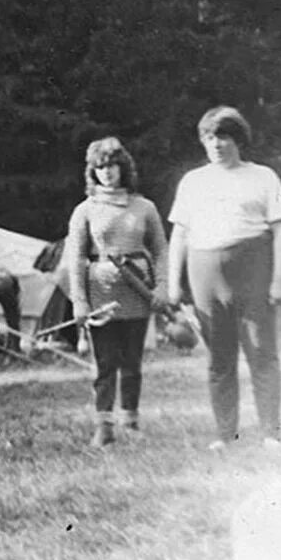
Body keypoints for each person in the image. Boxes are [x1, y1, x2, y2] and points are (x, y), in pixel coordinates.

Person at [167, 106, 281, 449]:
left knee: (260, 350)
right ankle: (226, 434)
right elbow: (179, 235)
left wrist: (280, 279)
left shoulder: (263, 176)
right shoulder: (194, 181)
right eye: (209, 137)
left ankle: (271, 432)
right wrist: (172, 283)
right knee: (219, 356)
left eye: (223, 136)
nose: (217, 144)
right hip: (205, 268)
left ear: (238, 139)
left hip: (252, 265)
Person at [65, 137, 169, 446]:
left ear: (123, 168)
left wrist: (163, 286)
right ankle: (104, 425)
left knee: (132, 361)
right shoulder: (84, 210)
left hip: (138, 289)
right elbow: (76, 258)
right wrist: (79, 302)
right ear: (92, 172)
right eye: (99, 167)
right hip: (100, 292)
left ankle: (131, 421)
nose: (107, 172)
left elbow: (161, 249)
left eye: (112, 165)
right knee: (105, 361)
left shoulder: (145, 207)